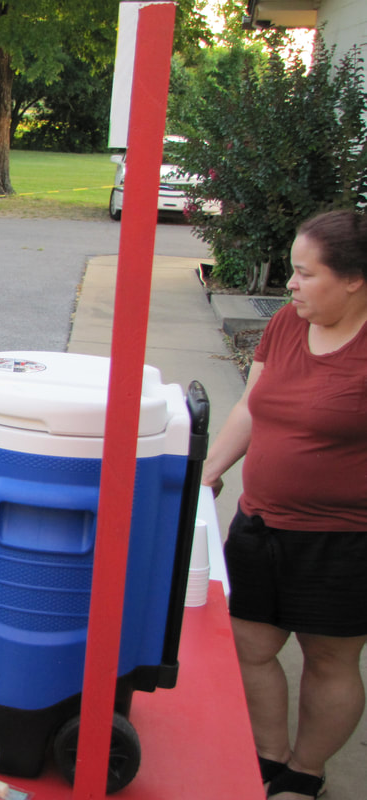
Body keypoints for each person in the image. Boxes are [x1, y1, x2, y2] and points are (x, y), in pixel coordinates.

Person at [201, 209, 367, 800]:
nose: (290, 284)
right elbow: (251, 406)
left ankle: (305, 770)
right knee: (248, 647)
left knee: (328, 661)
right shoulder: (286, 325)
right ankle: (269, 755)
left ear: (354, 280)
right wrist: (208, 473)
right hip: (261, 523)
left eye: (306, 273)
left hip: (342, 540)